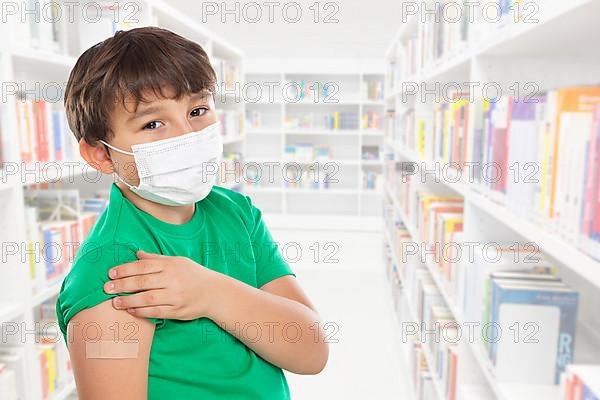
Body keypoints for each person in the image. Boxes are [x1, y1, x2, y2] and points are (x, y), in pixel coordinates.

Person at [55, 26, 329, 400]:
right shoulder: (112, 275)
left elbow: (311, 350)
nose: (187, 134)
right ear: (101, 154)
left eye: (197, 110)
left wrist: (211, 292)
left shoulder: (237, 213)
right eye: (153, 123)